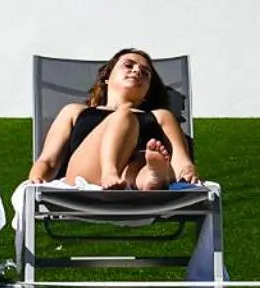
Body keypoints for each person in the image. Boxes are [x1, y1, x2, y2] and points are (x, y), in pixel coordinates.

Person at [27, 49, 203, 191]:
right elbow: (49, 160)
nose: (137, 71)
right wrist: (37, 178)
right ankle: (109, 171)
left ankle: (150, 178)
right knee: (124, 115)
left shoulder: (161, 116)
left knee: (143, 159)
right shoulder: (75, 111)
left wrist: (187, 172)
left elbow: (181, 159)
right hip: (87, 173)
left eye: (145, 73)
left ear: (148, 90)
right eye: (128, 65)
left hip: (132, 175)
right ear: (107, 77)